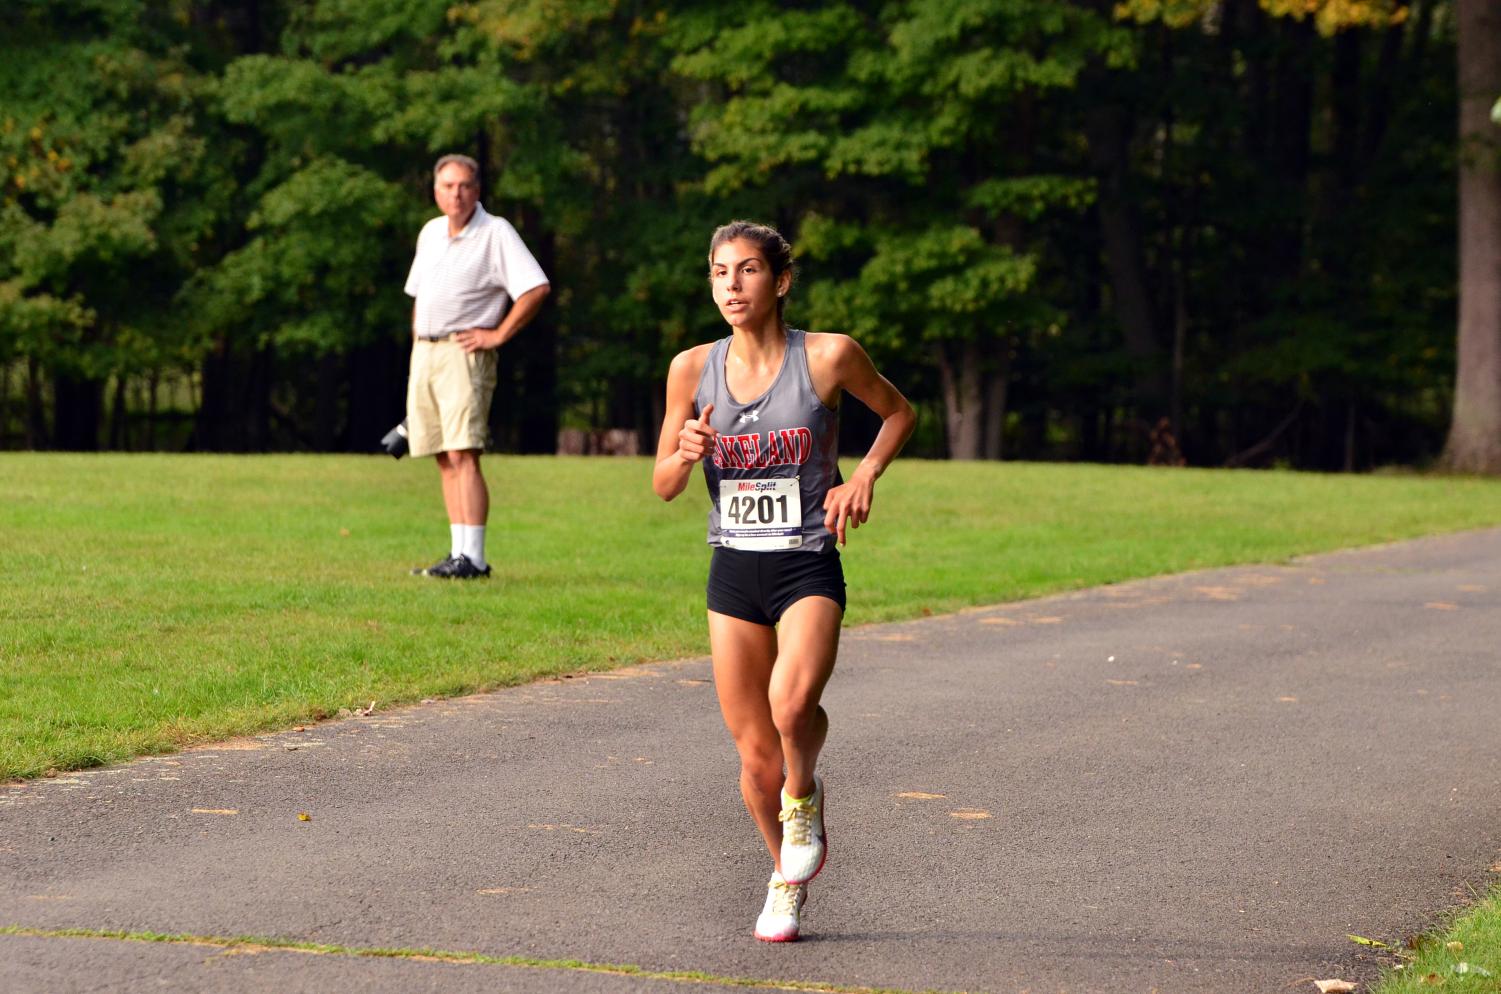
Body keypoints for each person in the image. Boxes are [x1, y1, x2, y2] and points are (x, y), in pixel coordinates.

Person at [652, 221, 915, 942]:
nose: (730, 286)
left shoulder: (827, 357)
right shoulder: (690, 369)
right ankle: (785, 877)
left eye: (746, 271)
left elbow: (897, 412)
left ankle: (805, 798)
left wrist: (860, 475)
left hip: (805, 560)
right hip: (733, 569)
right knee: (753, 754)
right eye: (718, 273)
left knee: (792, 704)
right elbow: (664, 484)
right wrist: (684, 451)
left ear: (781, 280)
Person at [404, 154, 550, 579]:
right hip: (426, 352)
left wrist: (498, 334)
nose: (456, 193)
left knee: (463, 451)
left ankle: (475, 558)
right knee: (442, 455)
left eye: (465, 185)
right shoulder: (430, 232)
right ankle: (457, 554)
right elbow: (420, 297)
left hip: (463, 353)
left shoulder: (495, 232)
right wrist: (417, 344)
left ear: (477, 189)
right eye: (448, 186)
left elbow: (535, 287)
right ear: (435, 191)